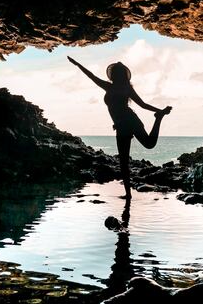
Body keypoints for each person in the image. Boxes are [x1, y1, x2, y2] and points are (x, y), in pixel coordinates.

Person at [67, 56, 172, 198]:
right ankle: (128, 194)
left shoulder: (119, 88)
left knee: (143, 148)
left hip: (128, 122)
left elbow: (143, 104)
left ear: (115, 75)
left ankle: (158, 118)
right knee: (128, 158)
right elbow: (91, 76)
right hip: (123, 125)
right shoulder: (114, 87)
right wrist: (78, 64)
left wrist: (159, 110)